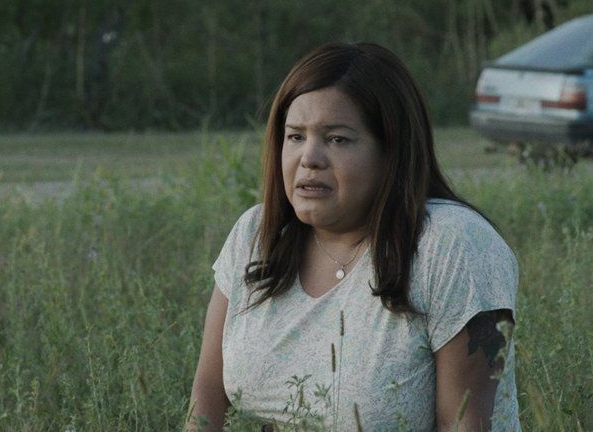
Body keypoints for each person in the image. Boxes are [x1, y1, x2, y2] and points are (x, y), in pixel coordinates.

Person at [186, 43, 520, 431]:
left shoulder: (453, 246)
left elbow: (464, 424)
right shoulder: (256, 235)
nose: (309, 158)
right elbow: (205, 406)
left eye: (337, 139)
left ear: (392, 150)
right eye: (295, 136)